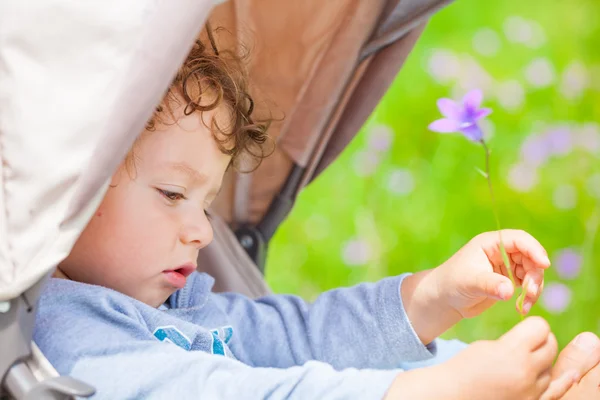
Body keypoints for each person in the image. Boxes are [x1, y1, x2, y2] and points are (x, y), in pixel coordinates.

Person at [33, 26, 600, 399]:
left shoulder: (180, 305)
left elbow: (297, 340)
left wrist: (428, 297)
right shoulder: (63, 339)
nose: (203, 230)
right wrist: (426, 393)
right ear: (67, 186)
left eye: (206, 203)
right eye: (173, 195)